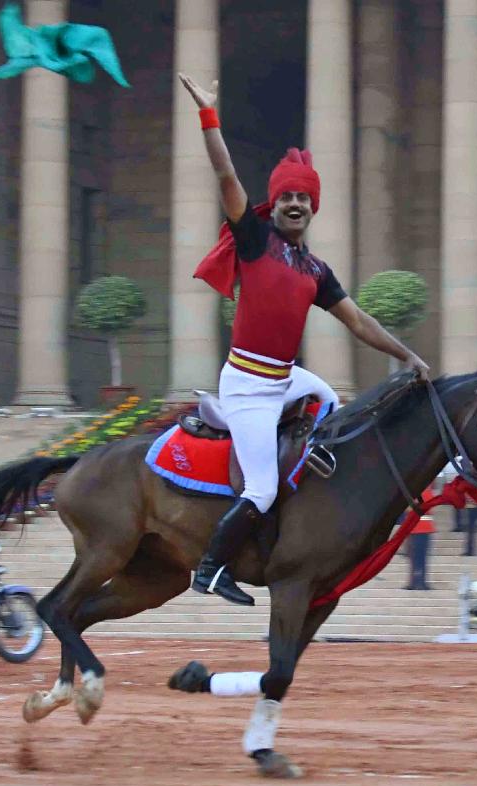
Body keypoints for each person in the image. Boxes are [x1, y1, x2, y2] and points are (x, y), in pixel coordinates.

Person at [180, 72, 429, 606]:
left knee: (332, 400)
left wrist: (408, 355)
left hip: (284, 378)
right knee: (261, 489)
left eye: (304, 198)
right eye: (287, 197)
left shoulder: (315, 269)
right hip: (247, 386)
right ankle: (211, 568)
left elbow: (358, 321)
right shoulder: (254, 239)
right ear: (276, 203)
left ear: (314, 207)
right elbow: (225, 174)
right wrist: (208, 115)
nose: (295, 204)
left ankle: (310, 480)